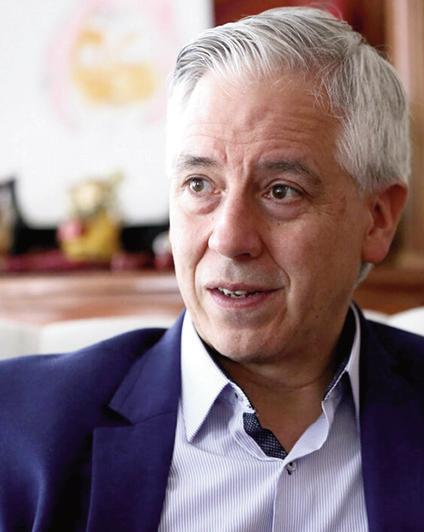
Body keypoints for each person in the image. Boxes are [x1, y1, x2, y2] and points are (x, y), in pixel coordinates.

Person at [0, 6, 422, 531]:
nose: (228, 239)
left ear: (377, 219)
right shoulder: (17, 427)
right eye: (200, 184)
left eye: (281, 191)